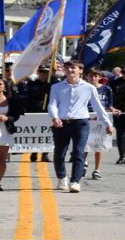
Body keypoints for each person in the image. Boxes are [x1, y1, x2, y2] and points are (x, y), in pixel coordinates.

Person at [47, 61, 114, 193]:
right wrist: (55, 117)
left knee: (79, 151)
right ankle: (62, 178)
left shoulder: (89, 87)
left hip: (80, 123)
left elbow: (98, 107)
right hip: (61, 122)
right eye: (67, 68)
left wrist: (108, 124)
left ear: (80, 71)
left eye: (73, 68)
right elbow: (52, 104)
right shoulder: (57, 87)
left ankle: (75, 181)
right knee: (60, 152)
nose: (70, 70)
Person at [87, 71, 116, 181]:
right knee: (85, 143)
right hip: (87, 117)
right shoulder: (85, 88)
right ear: (87, 77)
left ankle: (97, 169)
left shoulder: (106, 89)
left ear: (99, 77)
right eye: (91, 76)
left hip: (101, 119)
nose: (93, 78)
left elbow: (109, 105)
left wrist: (114, 110)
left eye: (96, 76)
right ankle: (83, 163)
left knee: (99, 144)